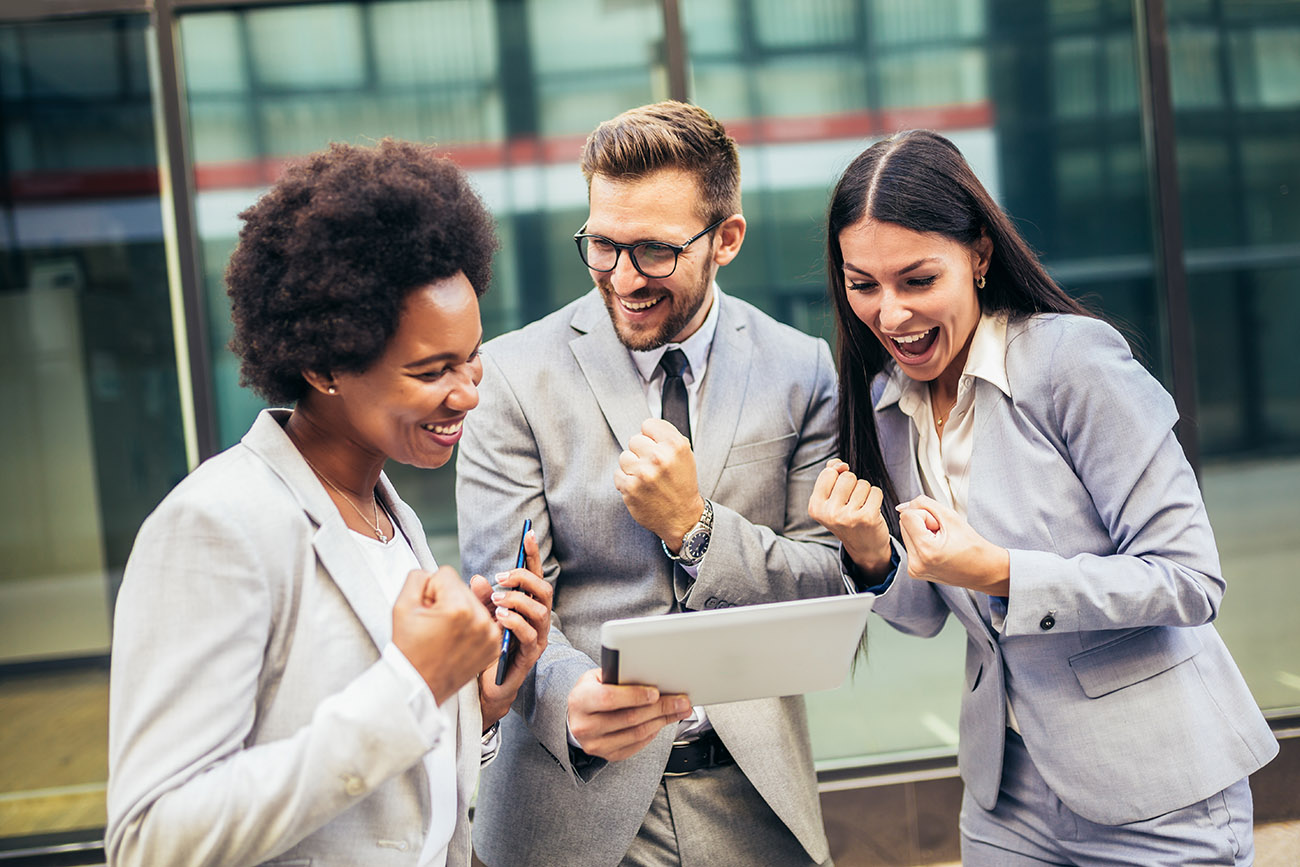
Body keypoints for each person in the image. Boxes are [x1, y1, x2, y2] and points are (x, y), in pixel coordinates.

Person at [808, 129, 1278, 865]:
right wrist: (871, 553)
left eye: (917, 280)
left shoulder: (1072, 363)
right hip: (1009, 794)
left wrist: (1000, 570)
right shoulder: (885, 403)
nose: (889, 313)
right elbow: (929, 614)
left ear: (980, 256)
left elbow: (1189, 579)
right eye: (862, 283)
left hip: (1156, 783)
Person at [106, 139, 553, 867]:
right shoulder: (216, 525)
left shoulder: (387, 511)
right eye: (431, 369)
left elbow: (398, 806)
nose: (469, 391)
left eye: (471, 356)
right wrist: (413, 684)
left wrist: (478, 701)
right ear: (323, 363)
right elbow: (154, 838)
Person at [456, 101, 844, 867]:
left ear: (726, 238)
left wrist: (696, 527)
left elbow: (826, 585)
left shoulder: (802, 369)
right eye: (602, 245)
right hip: (567, 805)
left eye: (655, 252)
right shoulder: (509, 374)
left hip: (754, 802)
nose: (624, 278)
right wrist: (575, 703)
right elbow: (511, 600)